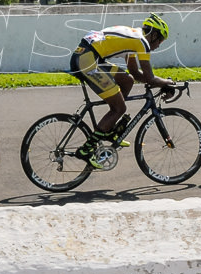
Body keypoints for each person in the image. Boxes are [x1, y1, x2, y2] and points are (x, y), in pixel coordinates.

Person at [69, 14, 178, 168]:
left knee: (127, 80)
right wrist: (168, 83)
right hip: (87, 60)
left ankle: (110, 129)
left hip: (88, 56)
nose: (159, 45)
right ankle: (86, 150)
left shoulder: (135, 38)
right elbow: (149, 77)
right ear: (153, 35)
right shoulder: (142, 42)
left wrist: (160, 84)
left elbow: (134, 72)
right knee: (119, 108)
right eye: (160, 40)